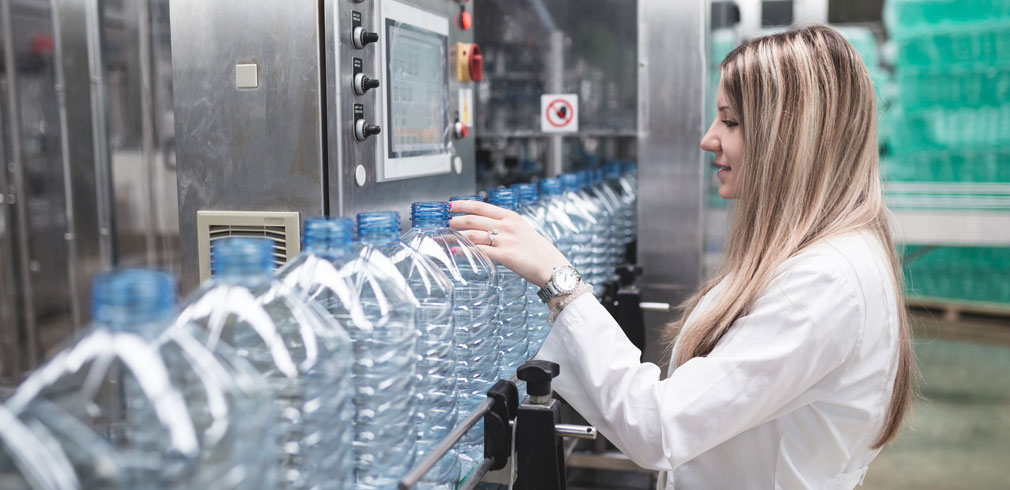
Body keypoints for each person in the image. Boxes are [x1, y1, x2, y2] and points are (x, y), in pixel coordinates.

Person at [447, 25, 916, 489]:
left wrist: (559, 281)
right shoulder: (829, 255)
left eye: (730, 122)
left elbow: (659, 428)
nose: (708, 139)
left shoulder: (825, 281)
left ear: (789, 138)